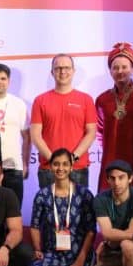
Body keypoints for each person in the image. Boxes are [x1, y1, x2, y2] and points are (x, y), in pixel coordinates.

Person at [25, 148, 96, 266]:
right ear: (50, 167)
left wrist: (80, 260)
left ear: (71, 167)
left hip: (78, 256)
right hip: (53, 255)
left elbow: (91, 231)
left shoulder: (84, 195)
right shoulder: (42, 195)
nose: (60, 168)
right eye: (56, 164)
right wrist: (37, 249)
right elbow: (35, 225)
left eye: (65, 164)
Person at [95, 42, 133, 193]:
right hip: (110, 158)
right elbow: (99, 131)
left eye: (124, 67)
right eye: (115, 68)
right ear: (110, 71)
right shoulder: (102, 99)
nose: (120, 71)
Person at [30, 54, 96, 188]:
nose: (62, 71)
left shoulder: (86, 99)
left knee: (79, 203)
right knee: (49, 203)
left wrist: (73, 158)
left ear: (73, 71)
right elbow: (35, 135)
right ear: (52, 72)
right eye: (58, 68)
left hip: (77, 167)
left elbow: (91, 133)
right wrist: (54, 160)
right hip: (49, 169)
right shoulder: (40, 100)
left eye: (66, 68)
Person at [0, 63, 30, 205]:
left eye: (3, 78)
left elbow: (26, 136)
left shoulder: (19, 104)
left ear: (9, 81)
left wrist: (25, 163)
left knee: (13, 210)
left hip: (14, 167)